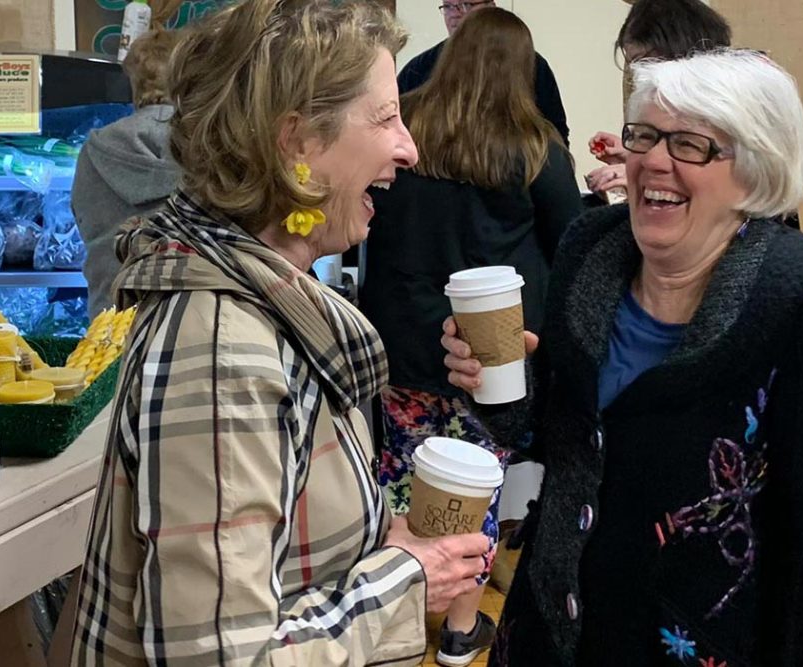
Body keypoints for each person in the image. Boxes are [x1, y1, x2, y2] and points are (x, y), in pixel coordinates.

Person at [70, 0, 493, 663]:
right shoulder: (220, 354)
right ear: (297, 142)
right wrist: (402, 574)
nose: (408, 147)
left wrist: (385, 539)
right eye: (385, 117)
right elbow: (217, 657)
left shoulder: (267, 298)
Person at [443, 50, 803, 664]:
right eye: (643, 135)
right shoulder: (590, 249)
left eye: (690, 144)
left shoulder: (799, 290)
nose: (652, 161)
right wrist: (503, 384)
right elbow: (557, 439)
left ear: (754, 170)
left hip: (695, 644)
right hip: (551, 628)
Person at [358, 8, 581, 665]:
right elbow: (571, 240)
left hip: (399, 335)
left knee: (400, 481)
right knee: (475, 485)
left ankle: (394, 617)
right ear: (523, 72)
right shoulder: (536, 148)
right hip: (493, 352)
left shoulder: (403, 138)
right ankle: (459, 629)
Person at [72, 29, 182, 314]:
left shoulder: (95, 150)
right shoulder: (205, 144)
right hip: (187, 316)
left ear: (134, 81)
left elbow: (83, 221)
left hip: (109, 315)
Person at [584, 0, 731, 203]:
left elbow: (719, 186)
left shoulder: (727, 113)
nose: (637, 76)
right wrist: (633, 158)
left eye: (644, 63)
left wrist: (640, 178)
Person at [397, 0, 569, 145]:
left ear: (491, 7)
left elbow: (556, 134)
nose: (456, 14)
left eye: (467, 4)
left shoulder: (530, 65)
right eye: (448, 6)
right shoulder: (419, 69)